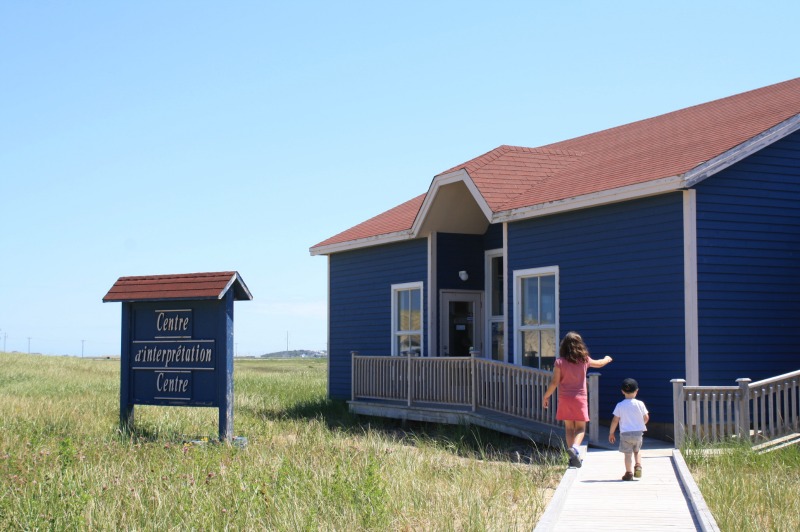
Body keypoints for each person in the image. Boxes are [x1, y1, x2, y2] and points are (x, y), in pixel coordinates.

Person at [543, 331, 612, 468]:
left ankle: (572, 458)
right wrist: (607, 358)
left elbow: (554, 382)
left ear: (564, 346)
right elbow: (599, 363)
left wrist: (546, 396)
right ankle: (575, 449)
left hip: (565, 398)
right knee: (580, 429)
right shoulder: (585, 360)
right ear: (580, 345)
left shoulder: (559, 362)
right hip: (580, 399)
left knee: (569, 429)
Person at [608, 378, 650, 481]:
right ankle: (638, 465)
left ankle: (629, 473)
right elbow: (646, 418)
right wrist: (640, 424)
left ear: (622, 391)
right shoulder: (640, 404)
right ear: (637, 391)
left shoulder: (620, 405)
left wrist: (611, 433)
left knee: (627, 454)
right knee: (637, 450)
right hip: (638, 433)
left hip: (625, 434)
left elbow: (615, 420)